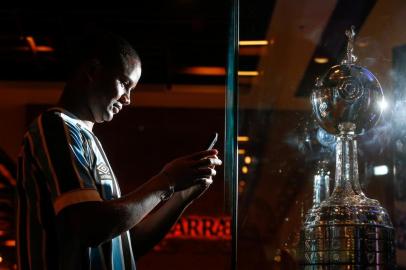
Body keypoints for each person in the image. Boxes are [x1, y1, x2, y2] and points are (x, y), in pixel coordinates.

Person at [16, 30, 222, 270]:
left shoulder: (86, 138)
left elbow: (126, 243)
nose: (128, 99)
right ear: (93, 71)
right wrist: (167, 181)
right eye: (125, 84)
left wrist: (181, 196)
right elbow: (91, 228)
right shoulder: (55, 127)